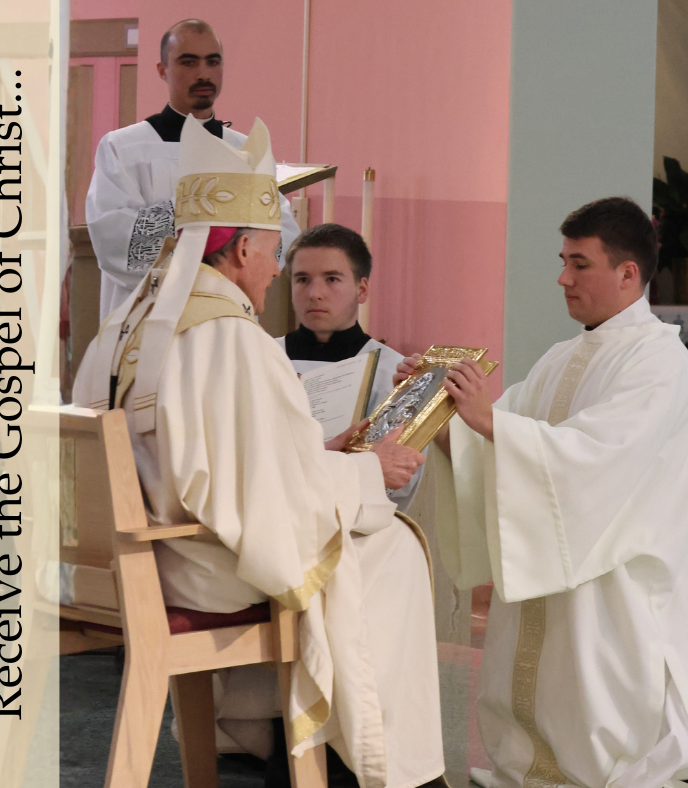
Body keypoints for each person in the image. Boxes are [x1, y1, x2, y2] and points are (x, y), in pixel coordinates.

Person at [397, 197, 688, 788]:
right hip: (572, 569)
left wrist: (490, 424)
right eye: (563, 261)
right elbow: (497, 446)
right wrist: (443, 413)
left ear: (628, 273)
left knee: (630, 746)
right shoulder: (565, 358)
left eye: (579, 263)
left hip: (626, 581)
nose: (563, 277)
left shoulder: (659, 362)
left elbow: (597, 460)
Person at [73, 115, 444, 788]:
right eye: (276, 251)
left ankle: (275, 736)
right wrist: (368, 470)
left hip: (144, 555)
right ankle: (371, 765)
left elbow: (230, 463)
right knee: (391, 546)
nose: (279, 269)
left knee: (361, 534)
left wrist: (319, 456)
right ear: (240, 249)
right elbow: (263, 499)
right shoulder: (227, 335)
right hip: (200, 568)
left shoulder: (127, 324)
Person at [85, 18, 300, 320]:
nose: (203, 74)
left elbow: (283, 233)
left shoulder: (246, 150)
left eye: (213, 62)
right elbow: (114, 239)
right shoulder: (123, 148)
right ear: (163, 70)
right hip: (146, 321)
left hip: (223, 319)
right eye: (188, 62)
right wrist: (207, 211)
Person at [278, 223, 424, 511]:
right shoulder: (264, 356)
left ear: (362, 288)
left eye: (331, 279)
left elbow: (404, 478)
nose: (314, 293)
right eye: (302, 279)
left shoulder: (393, 370)